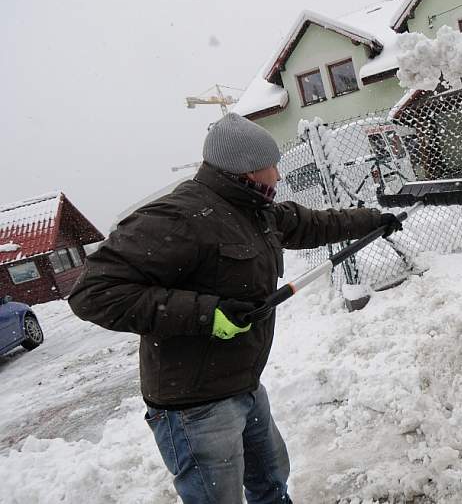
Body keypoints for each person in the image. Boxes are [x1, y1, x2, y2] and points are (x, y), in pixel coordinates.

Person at [68, 112, 402, 504]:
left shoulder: (252, 210)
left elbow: (310, 224)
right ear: (242, 169)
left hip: (243, 385)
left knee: (272, 485)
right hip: (195, 407)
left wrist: (374, 219)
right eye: (270, 166)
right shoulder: (180, 217)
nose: (277, 175)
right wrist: (208, 314)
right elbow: (93, 292)